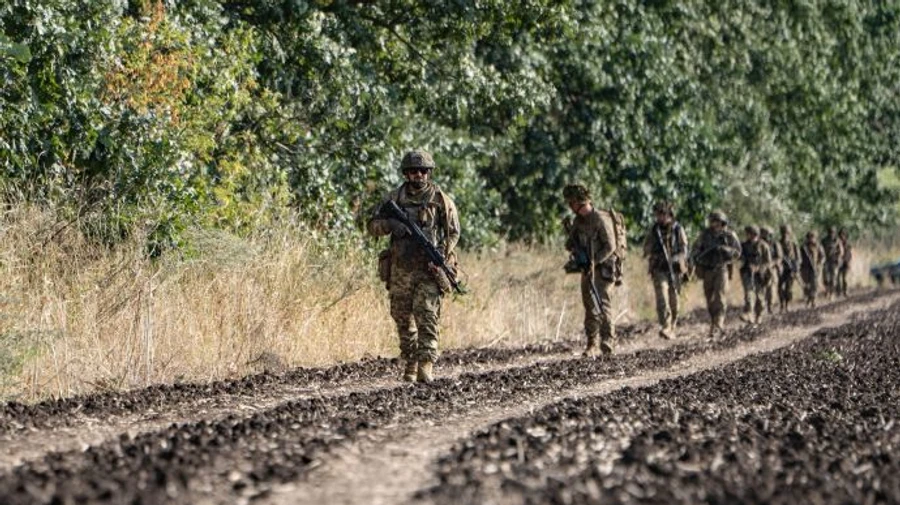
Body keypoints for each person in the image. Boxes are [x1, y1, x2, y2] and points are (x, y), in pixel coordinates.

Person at [367, 150, 460, 383]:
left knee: (427, 316)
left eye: (422, 171)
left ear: (429, 173)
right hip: (400, 269)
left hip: (429, 269)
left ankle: (426, 364)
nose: (417, 175)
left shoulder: (441, 200)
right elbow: (372, 226)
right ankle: (410, 360)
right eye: (412, 171)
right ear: (405, 173)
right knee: (401, 317)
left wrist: (440, 256)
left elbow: (453, 233)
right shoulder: (394, 198)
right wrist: (390, 224)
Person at [563, 184, 621, 356]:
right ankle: (592, 343)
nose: (570, 206)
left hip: (604, 268)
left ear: (579, 202)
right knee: (589, 305)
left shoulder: (600, 219)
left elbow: (610, 246)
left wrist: (595, 261)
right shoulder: (577, 222)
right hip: (587, 267)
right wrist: (573, 246)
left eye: (571, 203)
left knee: (603, 302)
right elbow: (570, 244)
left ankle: (608, 340)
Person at [689, 211, 742, 337]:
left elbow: (738, 252)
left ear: (722, 222)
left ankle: (719, 323)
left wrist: (726, 250)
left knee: (720, 297)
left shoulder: (729, 235)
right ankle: (714, 321)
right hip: (707, 270)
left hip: (721, 269)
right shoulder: (705, 235)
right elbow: (695, 249)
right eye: (712, 221)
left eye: (717, 221)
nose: (714, 224)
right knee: (709, 299)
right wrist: (698, 257)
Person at [641, 201, 688, 339]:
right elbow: (646, 249)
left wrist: (676, 259)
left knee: (674, 301)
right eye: (657, 215)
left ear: (669, 215)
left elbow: (685, 250)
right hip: (659, 268)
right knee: (662, 297)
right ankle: (665, 326)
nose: (659, 217)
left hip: (674, 269)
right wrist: (654, 254)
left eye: (662, 214)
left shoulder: (677, 229)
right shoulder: (654, 230)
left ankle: (672, 324)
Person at [738, 225, 772, 324]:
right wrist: (744, 263)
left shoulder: (763, 246)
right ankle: (748, 312)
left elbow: (768, 262)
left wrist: (759, 268)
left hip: (760, 275)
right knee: (749, 293)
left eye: (750, 234)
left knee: (760, 296)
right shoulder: (743, 246)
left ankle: (759, 315)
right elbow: (739, 257)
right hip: (747, 273)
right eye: (747, 233)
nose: (748, 236)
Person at [777, 224, 801, 312]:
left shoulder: (793, 244)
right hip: (781, 268)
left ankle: (787, 304)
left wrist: (796, 268)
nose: (785, 235)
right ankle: (782, 304)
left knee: (789, 288)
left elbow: (798, 257)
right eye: (783, 233)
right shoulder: (778, 243)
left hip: (791, 268)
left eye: (786, 233)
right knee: (779, 287)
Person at [800, 230, 826, 307]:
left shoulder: (818, 246)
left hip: (815, 268)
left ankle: (814, 300)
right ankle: (808, 299)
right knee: (807, 284)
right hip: (805, 269)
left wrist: (819, 264)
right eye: (810, 237)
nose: (811, 239)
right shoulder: (803, 247)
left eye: (813, 237)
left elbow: (823, 256)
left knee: (814, 284)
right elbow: (799, 257)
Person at [759, 226, 781, 315]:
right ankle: (762, 307)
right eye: (764, 234)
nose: (766, 236)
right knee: (761, 289)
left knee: (772, 289)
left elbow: (779, 257)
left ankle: (770, 306)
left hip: (772, 269)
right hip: (761, 269)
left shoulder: (775, 244)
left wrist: (772, 263)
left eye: (768, 234)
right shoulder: (759, 244)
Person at [821, 226, 844, 300]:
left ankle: (832, 293)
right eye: (830, 232)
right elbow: (821, 250)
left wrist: (838, 258)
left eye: (833, 232)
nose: (831, 234)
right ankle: (827, 291)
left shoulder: (837, 241)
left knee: (833, 278)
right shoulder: (824, 240)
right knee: (826, 277)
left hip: (834, 261)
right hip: (826, 261)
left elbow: (841, 251)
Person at [837, 227, 853, 297]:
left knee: (845, 279)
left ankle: (845, 291)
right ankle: (838, 292)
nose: (842, 236)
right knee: (837, 278)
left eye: (843, 235)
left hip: (846, 262)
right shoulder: (837, 243)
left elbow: (849, 254)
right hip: (838, 262)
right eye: (841, 235)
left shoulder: (847, 243)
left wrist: (848, 261)